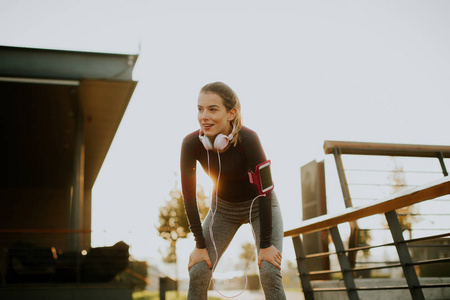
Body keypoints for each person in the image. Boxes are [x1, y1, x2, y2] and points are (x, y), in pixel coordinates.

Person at [180, 81, 286, 299]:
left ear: (231, 113)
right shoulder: (191, 144)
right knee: (198, 269)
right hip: (223, 210)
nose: (203, 116)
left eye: (212, 109)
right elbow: (189, 198)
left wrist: (266, 245)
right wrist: (199, 245)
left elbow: (265, 192)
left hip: (260, 205)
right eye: (200, 109)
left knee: (268, 269)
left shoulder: (249, 139)